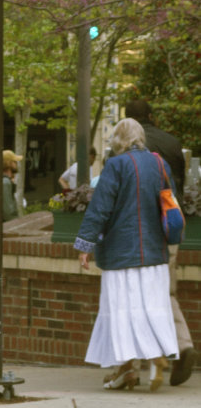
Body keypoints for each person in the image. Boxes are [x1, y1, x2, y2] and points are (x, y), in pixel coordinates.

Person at [73, 118, 178, 390]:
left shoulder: (116, 165)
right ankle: (154, 358)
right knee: (152, 307)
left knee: (121, 311)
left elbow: (100, 208)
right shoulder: (160, 164)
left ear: (117, 141)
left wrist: (85, 246)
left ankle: (127, 367)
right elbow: (170, 203)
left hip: (121, 255)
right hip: (154, 254)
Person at [122, 95, 194, 384]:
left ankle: (134, 363)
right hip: (168, 227)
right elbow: (180, 185)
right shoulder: (171, 143)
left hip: (139, 232)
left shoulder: (124, 149)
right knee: (166, 292)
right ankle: (183, 344)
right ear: (151, 116)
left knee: (135, 295)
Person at [2, 149, 21, 219]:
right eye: (14, 161)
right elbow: (8, 210)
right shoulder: (5, 182)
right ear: (8, 163)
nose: (16, 164)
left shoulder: (6, 180)